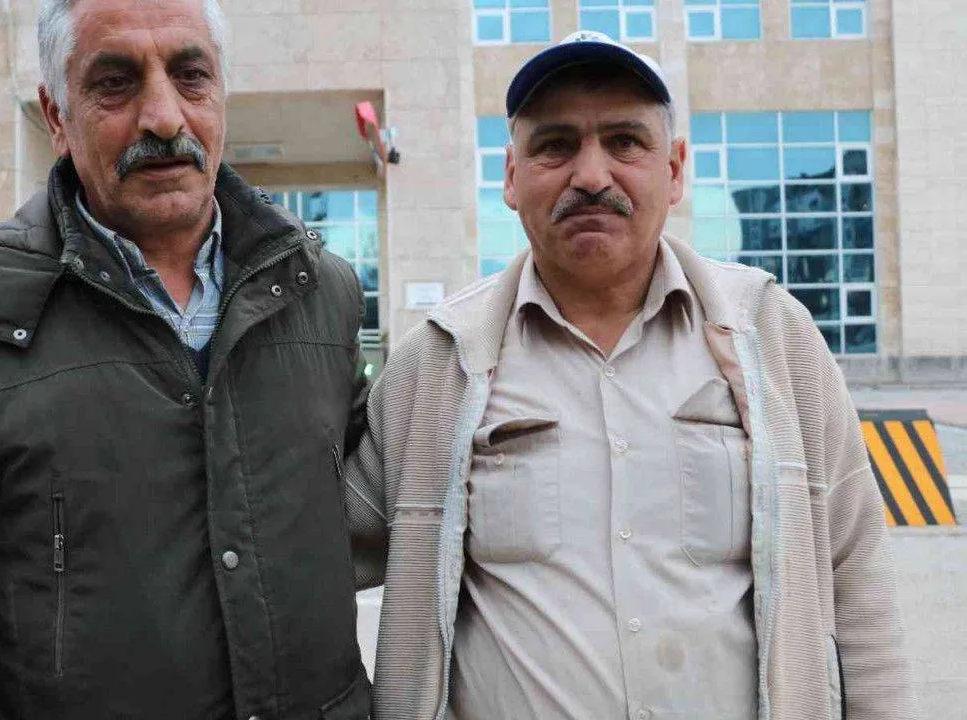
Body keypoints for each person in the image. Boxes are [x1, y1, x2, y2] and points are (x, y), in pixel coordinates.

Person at [347, 30, 918, 720]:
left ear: (674, 170)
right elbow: (311, 553)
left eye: (624, 142)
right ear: (511, 176)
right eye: (556, 145)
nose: (591, 176)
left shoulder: (774, 337)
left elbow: (856, 571)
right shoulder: (438, 365)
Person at [0, 0, 372, 718]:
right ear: (57, 116)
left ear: (221, 93)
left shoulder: (323, 293)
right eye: (115, 83)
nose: (163, 118)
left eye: (191, 75)